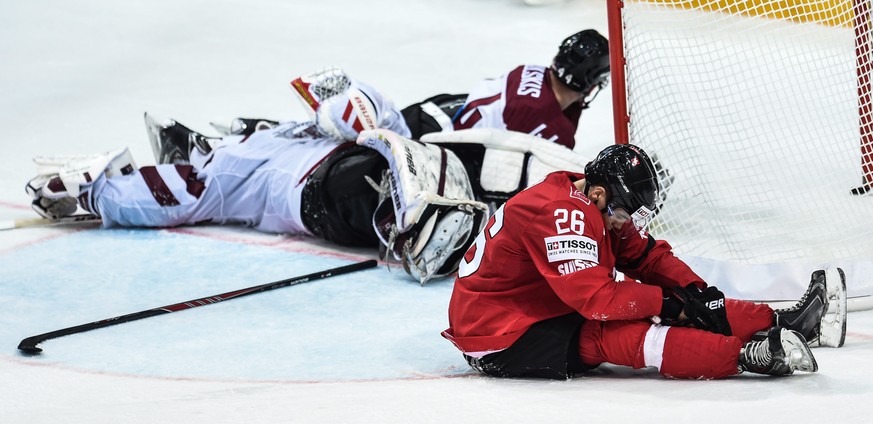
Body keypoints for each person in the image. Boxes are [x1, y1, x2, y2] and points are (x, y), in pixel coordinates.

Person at [25, 68, 489, 284]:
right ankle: (420, 221)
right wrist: (96, 192)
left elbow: (370, 115)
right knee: (375, 180)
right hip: (321, 198)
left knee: (395, 159)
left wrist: (350, 105)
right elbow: (170, 196)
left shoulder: (255, 143)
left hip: (345, 181)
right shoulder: (223, 170)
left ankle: (427, 216)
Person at [442, 143, 848, 379]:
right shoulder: (561, 212)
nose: (625, 224)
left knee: (678, 305)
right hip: (498, 336)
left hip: (539, 305)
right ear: (600, 195)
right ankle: (746, 356)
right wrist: (671, 305)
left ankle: (789, 326)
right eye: (624, 214)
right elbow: (598, 300)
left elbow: (646, 256)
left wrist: (695, 291)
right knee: (609, 332)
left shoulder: (594, 201)